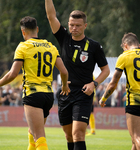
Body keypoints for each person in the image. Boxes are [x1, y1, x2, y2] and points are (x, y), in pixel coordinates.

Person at [0, 16, 70, 150]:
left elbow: (13, 74)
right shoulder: (50, 46)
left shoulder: (23, 47)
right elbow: (64, 72)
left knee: (39, 135)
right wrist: (65, 85)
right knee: (32, 131)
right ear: (37, 29)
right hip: (48, 95)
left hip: (33, 94)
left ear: (23, 32)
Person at [45, 1, 110, 150]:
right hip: (65, 93)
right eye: (71, 25)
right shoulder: (64, 38)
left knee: (78, 134)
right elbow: (51, 16)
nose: (74, 28)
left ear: (85, 26)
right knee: (69, 136)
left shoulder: (94, 46)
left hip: (83, 94)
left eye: (78, 25)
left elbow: (105, 70)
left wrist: (94, 84)